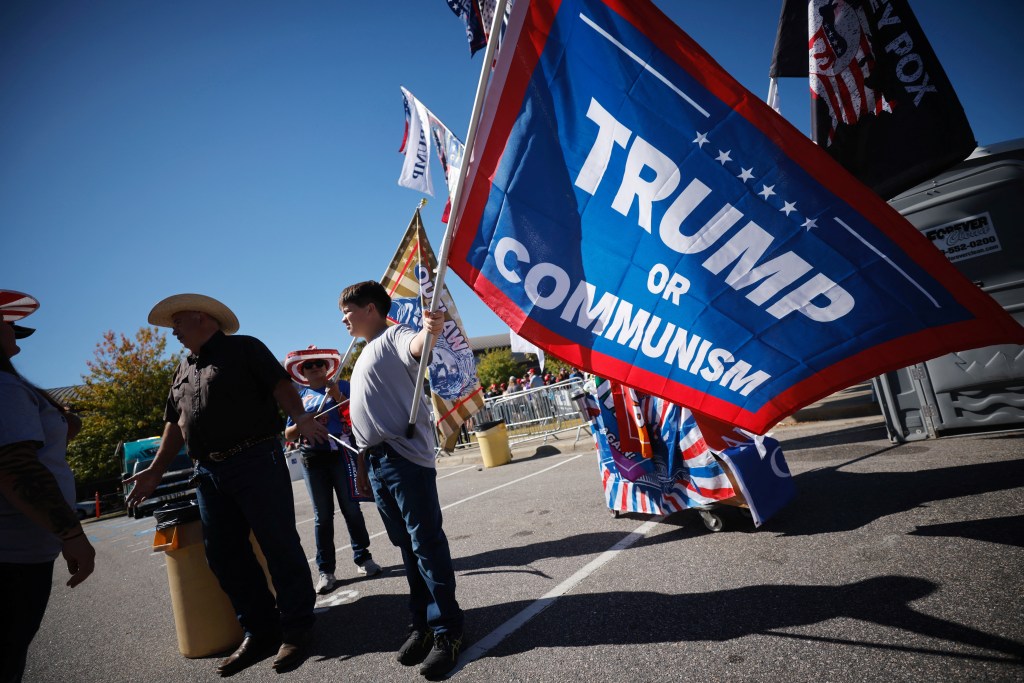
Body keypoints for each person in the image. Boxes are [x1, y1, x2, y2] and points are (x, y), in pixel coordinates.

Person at [125, 294, 328, 676]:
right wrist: (155, 470)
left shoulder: (245, 348)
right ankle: (260, 630)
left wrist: (300, 417)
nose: (174, 332)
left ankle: (297, 628)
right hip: (208, 473)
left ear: (202, 318)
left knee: (278, 542)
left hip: (256, 460)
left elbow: (279, 385)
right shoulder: (182, 369)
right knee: (223, 554)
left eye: (178, 323)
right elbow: (175, 424)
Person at [340, 281, 464, 681]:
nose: (343, 319)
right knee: (408, 549)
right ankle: (424, 624)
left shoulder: (394, 335)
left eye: (349, 311)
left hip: (403, 460)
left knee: (425, 544)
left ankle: (449, 632)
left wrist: (431, 330)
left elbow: (418, 347)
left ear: (372, 308)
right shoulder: (363, 353)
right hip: (377, 462)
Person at [0, 290, 96, 683]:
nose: (15, 333)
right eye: (8, 325)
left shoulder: (10, 386)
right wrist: (71, 533)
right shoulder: (4, 388)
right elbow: (15, 466)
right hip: (11, 562)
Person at [283, 345, 381, 594]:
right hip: (312, 457)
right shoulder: (299, 395)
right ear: (302, 370)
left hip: (341, 453)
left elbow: (357, 412)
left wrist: (337, 396)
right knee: (322, 515)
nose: (315, 368)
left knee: (351, 507)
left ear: (327, 367)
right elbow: (288, 433)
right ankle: (326, 570)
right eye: (309, 365)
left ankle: (363, 558)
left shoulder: (343, 386)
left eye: (319, 364)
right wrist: (306, 420)